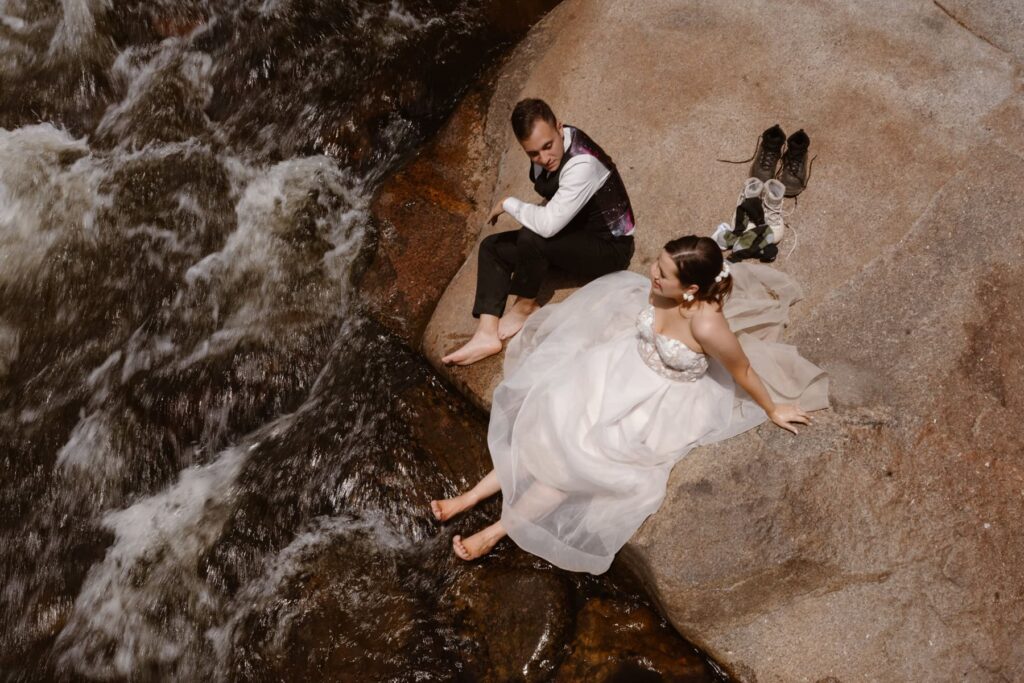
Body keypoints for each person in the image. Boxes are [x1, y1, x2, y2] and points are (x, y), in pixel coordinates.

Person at [431, 236, 828, 574]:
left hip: (656, 403)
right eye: (657, 264)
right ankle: (469, 497)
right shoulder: (662, 288)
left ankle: (498, 531)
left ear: (690, 289)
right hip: (617, 367)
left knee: (573, 465)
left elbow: (741, 370)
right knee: (544, 428)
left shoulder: (708, 326)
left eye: (664, 274)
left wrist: (774, 408)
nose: (653, 276)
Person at [441, 98, 636, 366]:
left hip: (608, 249)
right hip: (572, 233)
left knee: (534, 235)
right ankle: (486, 334)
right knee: (492, 248)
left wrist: (508, 203)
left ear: (559, 127)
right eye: (533, 153)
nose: (544, 159)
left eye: (548, 146)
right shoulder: (547, 152)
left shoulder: (582, 164)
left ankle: (525, 307)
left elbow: (547, 225)